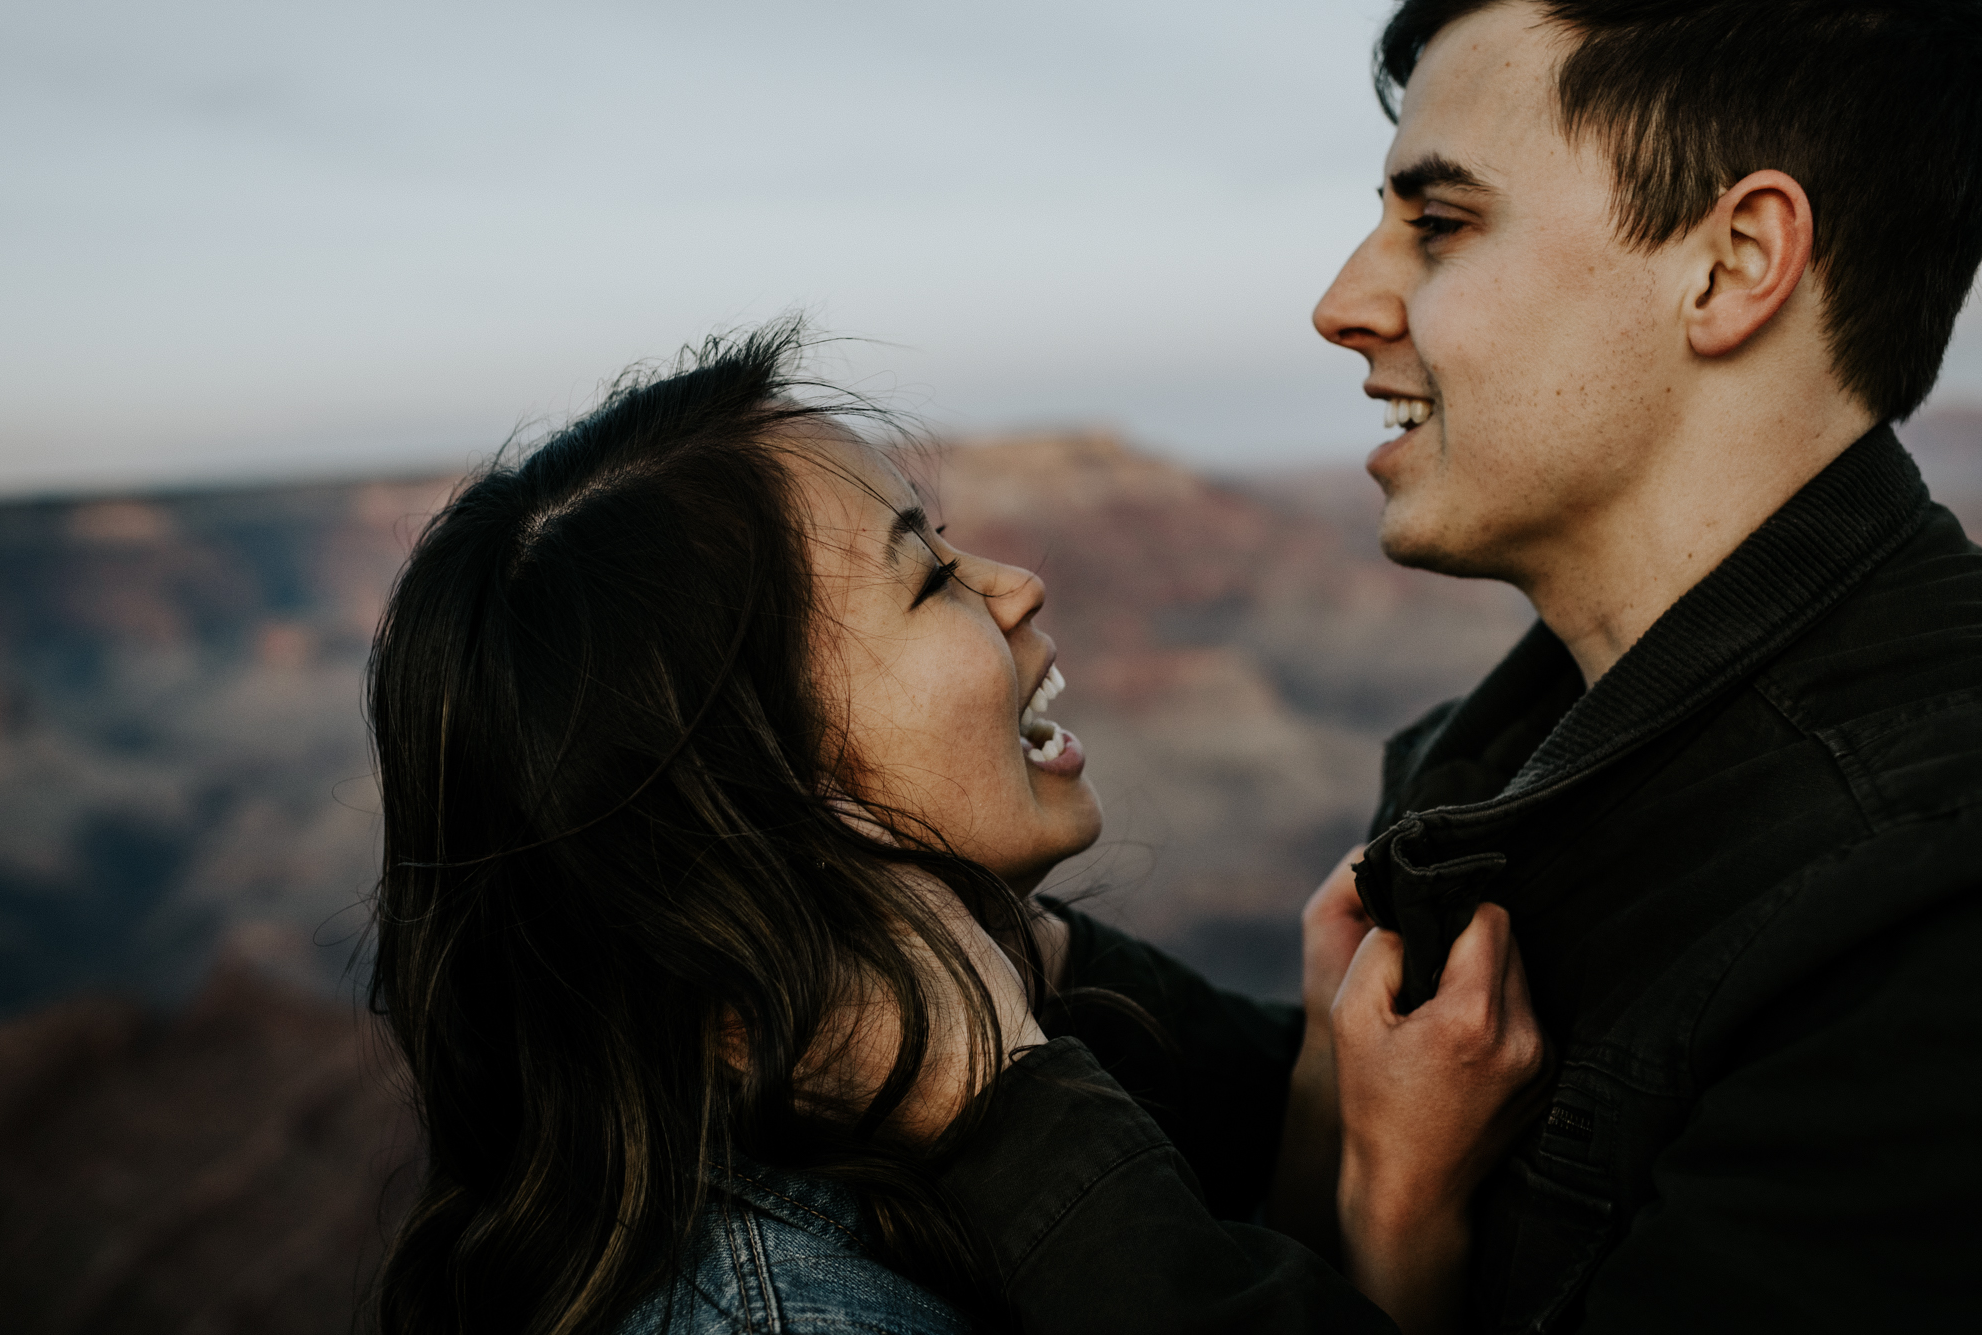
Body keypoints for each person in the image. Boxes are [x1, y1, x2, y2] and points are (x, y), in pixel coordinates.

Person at [364, 322, 1548, 1335]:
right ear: (756, 785)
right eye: (927, 575)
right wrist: (1401, 1220)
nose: (1016, 583)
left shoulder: (918, 1053)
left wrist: (1321, 1091)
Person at [1274, 1, 1982, 1330]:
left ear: (1730, 263)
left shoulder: (1924, 908)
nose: (1343, 306)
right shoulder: (1532, 743)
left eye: (1438, 224)